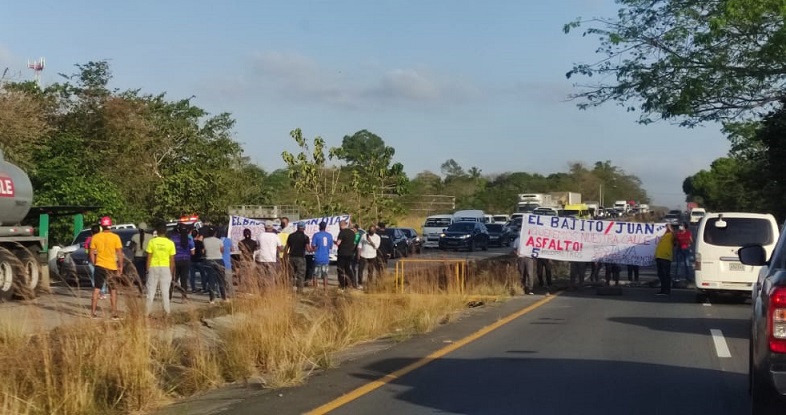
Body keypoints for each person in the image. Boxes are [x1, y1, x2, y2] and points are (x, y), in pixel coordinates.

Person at [89, 216, 124, 320]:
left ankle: (93, 313)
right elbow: (119, 253)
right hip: (112, 267)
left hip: (100, 265)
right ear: (110, 225)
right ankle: (114, 314)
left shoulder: (95, 237)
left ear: (102, 226)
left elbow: (91, 252)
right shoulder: (115, 237)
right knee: (113, 290)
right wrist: (120, 266)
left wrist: (94, 263)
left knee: (96, 289)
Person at [145, 223, 176, 317]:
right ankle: (166, 312)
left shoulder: (152, 242)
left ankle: (147, 312)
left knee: (151, 291)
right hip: (165, 267)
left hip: (153, 267)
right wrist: (171, 271)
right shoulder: (170, 243)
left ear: (157, 232)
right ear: (165, 232)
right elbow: (172, 260)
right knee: (165, 292)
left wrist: (147, 269)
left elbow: (149, 257)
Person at [168, 224, 193, 302]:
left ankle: (169, 296)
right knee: (184, 279)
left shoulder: (172, 239)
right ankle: (184, 297)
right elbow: (193, 252)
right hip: (186, 261)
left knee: (173, 278)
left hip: (175, 260)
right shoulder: (189, 239)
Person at [203, 226, 227, 303]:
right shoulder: (219, 241)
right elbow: (222, 250)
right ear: (215, 233)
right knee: (221, 279)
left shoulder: (205, 240)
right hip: (218, 259)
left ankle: (212, 299)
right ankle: (224, 298)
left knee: (211, 280)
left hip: (209, 260)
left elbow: (204, 250)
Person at [285, 222, 310, 293]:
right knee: (301, 274)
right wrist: (314, 249)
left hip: (291, 257)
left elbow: (286, 248)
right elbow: (308, 249)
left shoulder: (291, 236)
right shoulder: (305, 237)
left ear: (297, 227)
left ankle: (289, 289)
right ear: (304, 228)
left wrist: (285, 256)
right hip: (300, 258)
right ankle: (299, 290)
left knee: (290, 274)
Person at [84, 224, 107, 299]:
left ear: (91, 232)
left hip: (91, 261)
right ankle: (102, 292)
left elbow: (86, 250)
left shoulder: (89, 239)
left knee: (93, 277)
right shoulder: (103, 239)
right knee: (102, 277)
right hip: (101, 260)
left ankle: (96, 292)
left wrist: (89, 252)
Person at [130, 222, 153, 290]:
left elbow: (132, 248)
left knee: (139, 275)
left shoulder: (134, 237)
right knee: (147, 273)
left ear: (138, 229)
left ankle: (141, 289)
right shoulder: (151, 237)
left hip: (137, 257)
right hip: (147, 257)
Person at [311, 222, 334, 288]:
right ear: (325, 227)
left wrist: (316, 247)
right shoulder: (329, 235)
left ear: (319, 227)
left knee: (315, 274)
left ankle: (315, 289)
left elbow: (313, 246)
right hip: (326, 257)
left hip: (318, 257)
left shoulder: (316, 235)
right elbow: (331, 247)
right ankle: (325, 290)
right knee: (325, 275)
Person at [335, 220, 357, 289]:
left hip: (342, 253)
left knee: (340, 269)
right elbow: (354, 243)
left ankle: (342, 285)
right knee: (348, 269)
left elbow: (338, 243)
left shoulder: (342, 232)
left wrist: (334, 242)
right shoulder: (352, 232)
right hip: (350, 253)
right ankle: (350, 283)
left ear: (340, 225)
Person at [655, 224, 676, 296]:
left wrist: (671, 229)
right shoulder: (662, 235)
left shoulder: (671, 235)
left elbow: (675, 238)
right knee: (660, 274)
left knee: (665, 274)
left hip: (666, 257)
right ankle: (663, 289)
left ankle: (667, 290)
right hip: (659, 256)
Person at [357, 224, 380, 288]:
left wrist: (370, 241)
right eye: (370, 230)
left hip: (372, 256)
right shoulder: (364, 235)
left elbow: (376, 247)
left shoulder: (377, 237)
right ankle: (360, 283)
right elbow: (360, 244)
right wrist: (358, 254)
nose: (371, 231)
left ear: (375, 231)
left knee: (370, 270)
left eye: (372, 230)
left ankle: (369, 283)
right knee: (360, 270)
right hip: (363, 255)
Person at [189, 229, 206, 293]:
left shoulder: (190, 242)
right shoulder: (200, 242)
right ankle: (204, 287)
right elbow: (203, 251)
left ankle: (193, 288)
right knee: (202, 274)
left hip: (192, 260)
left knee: (192, 275)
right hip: (199, 260)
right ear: (197, 235)